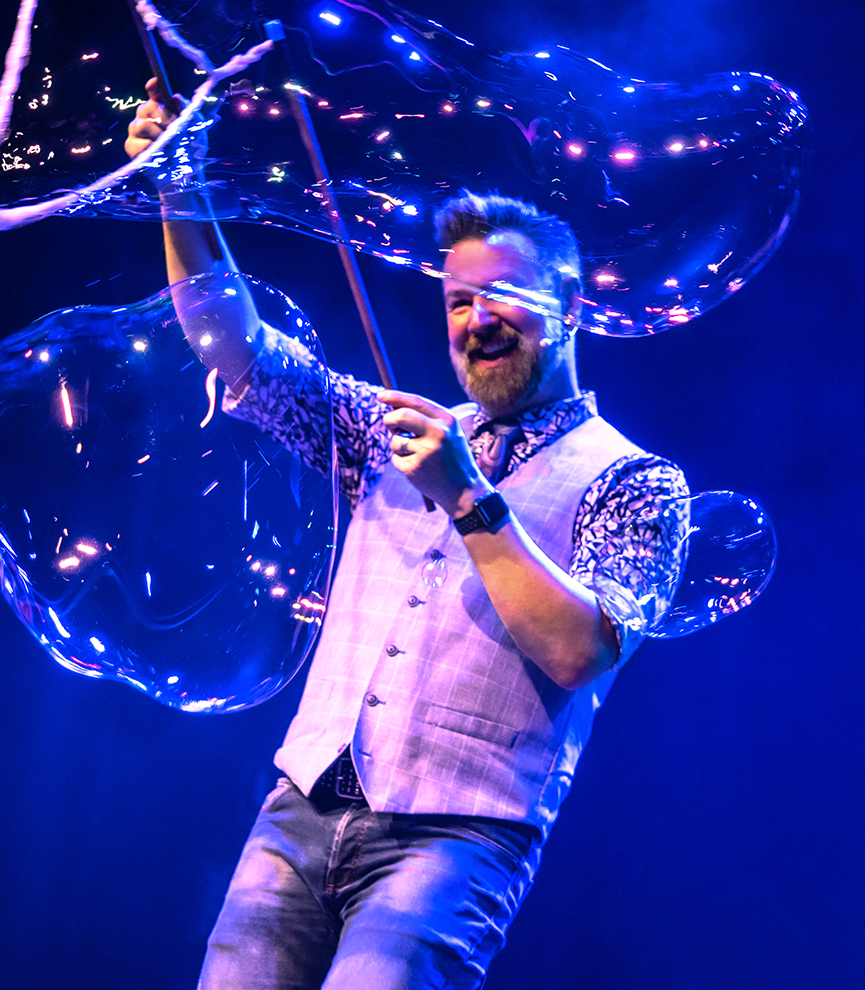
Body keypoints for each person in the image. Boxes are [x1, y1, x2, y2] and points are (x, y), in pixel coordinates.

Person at [127, 81, 687, 989]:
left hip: (459, 837)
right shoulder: (389, 431)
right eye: (459, 302)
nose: (476, 320)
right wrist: (178, 189)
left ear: (572, 301)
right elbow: (234, 346)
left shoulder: (639, 483)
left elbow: (582, 652)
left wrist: (468, 497)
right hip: (300, 807)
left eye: (503, 294)